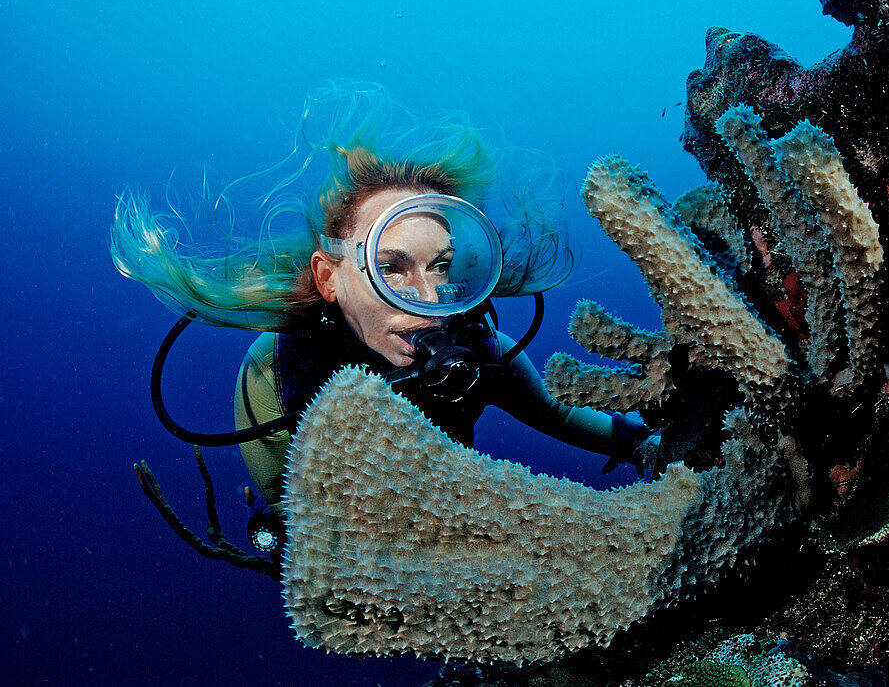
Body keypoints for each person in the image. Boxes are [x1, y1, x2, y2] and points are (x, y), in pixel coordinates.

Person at [110, 88, 656, 550]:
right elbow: (290, 507)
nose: (428, 297)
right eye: (390, 268)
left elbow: (557, 417)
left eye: (442, 267)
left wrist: (643, 442)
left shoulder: (481, 351)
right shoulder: (268, 375)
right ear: (330, 279)